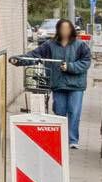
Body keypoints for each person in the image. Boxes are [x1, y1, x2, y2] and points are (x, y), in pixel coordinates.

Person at [19, 18, 93, 149]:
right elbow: (35, 55)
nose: (65, 31)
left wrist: (70, 67)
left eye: (67, 28)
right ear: (58, 30)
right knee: (59, 110)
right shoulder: (49, 45)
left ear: (71, 30)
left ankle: (72, 139)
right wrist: (20, 60)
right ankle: (61, 137)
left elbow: (86, 62)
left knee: (74, 111)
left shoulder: (80, 45)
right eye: (62, 28)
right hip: (58, 84)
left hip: (76, 86)